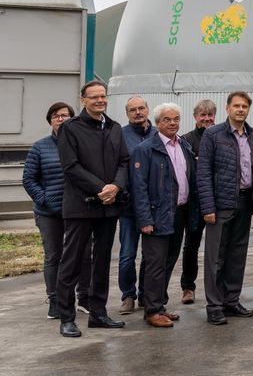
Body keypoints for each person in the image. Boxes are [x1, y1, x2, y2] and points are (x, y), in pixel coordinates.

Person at [55, 80, 129, 338]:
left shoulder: (114, 128)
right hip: (81, 207)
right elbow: (71, 167)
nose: (100, 100)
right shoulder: (70, 129)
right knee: (72, 262)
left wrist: (116, 187)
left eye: (103, 96)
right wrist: (102, 189)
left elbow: (124, 162)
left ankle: (98, 313)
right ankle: (66, 317)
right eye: (94, 97)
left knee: (102, 262)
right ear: (83, 100)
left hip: (109, 207)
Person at [197, 91, 253, 325]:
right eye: (236, 106)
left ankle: (231, 301)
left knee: (237, 255)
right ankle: (214, 305)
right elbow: (203, 173)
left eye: (245, 106)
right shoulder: (213, 135)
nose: (241, 109)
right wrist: (208, 207)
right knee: (215, 257)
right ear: (227, 109)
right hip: (220, 204)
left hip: (245, 202)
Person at [22, 102, 92, 319]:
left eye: (66, 115)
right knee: (54, 256)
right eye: (56, 116)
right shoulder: (40, 147)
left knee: (84, 255)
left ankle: (84, 297)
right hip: (49, 213)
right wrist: (44, 200)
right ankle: (55, 300)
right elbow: (29, 179)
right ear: (50, 121)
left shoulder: (82, 144)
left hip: (80, 210)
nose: (62, 119)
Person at [133, 103, 196, 328]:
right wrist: (145, 220)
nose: (173, 123)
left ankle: (159, 305)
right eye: (167, 120)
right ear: (158, 123)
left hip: (179, 213)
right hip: (156, 214)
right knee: (155, 264)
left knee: (169, 261)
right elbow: (138, 187)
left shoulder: (184, 145)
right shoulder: (146, 148)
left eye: (176, 119)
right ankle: (151, 310)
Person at [117, 96, 154, 315]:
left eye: (141, 108)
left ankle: (145, 294)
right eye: (133, 110)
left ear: (147, 110)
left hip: (153, 206)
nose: (138, 112)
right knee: (127, 255)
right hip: (129, 208)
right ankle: (127, 295)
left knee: (151, 256)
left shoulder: (159, 133)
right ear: (127, 113)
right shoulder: (120, 136)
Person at [178, 100, 215, 304]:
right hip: (193, 203)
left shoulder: (219, 137)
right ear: (195, 117)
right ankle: (188, 287)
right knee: (191, 246)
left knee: (216, 248)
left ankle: (216, 287)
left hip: (215, 202)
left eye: (210, 115)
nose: (207, 119)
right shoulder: (185, 141)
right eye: (203, 115)